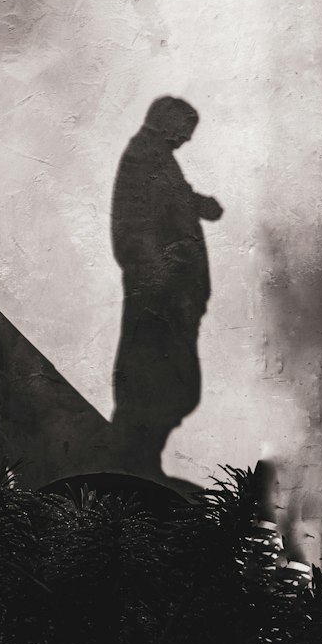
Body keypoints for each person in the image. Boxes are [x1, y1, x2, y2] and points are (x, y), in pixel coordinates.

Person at [109, 97, 223, 477]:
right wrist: (157, 275)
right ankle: (136, 460)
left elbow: (172, 195)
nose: (186, 140)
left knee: (174, 378)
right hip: (158, 295)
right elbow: (133, 223)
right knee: (153, 376)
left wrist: (198, 203)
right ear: (167, 122)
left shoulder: (158, 158)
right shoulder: (144, 156)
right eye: (184, 131)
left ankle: (145, 459)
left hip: (174, 295)